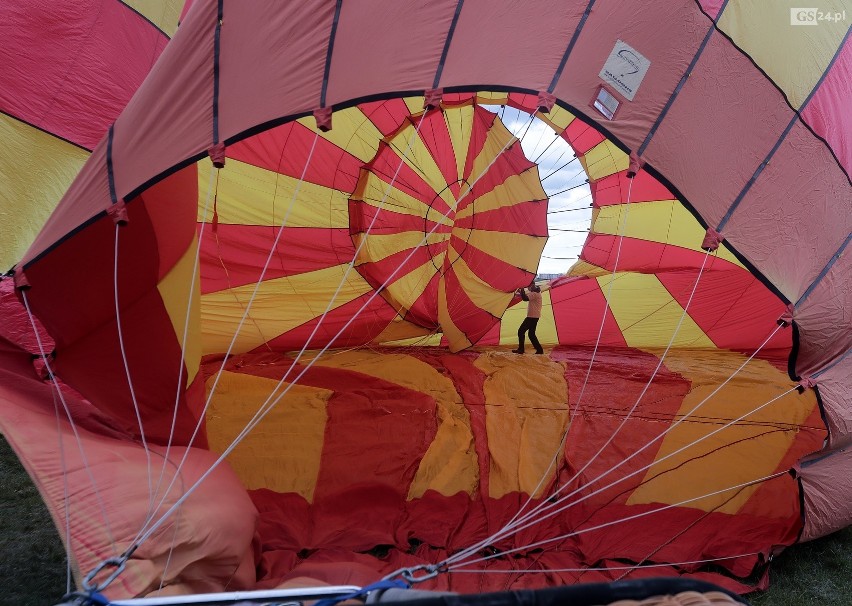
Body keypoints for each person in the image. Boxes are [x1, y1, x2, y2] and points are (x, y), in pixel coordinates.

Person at [513, 280, 551, 354]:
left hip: (532, 316)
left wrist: (522, 289)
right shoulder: (536, 291)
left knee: (521, 331)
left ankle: (521, 349)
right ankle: (539, 350)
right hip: (535, 316)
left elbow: (525, 298)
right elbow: (525, 296)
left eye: (529, 286)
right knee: (531, 334)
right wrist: (520, 292)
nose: (528, 288)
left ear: (533, 285)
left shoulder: (535, 293)